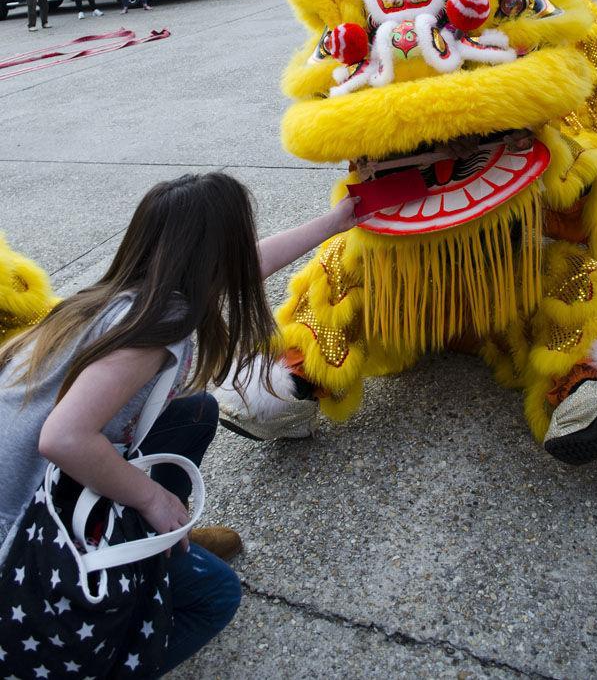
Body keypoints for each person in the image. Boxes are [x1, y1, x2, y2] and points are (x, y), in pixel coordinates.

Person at [0, 171, 359, 675]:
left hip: (32, 478)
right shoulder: (155, 330)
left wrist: (339, 220)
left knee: (195, 410)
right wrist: (151, 498)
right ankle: (107, 658)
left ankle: (162, 544)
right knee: (216, 595)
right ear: (216, 259)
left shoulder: (122, 291)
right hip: (25, 535)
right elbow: (63, 438)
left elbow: (251, 265)